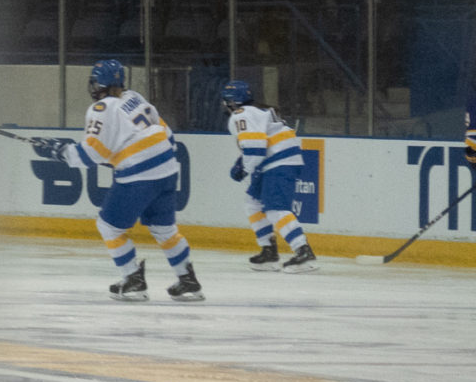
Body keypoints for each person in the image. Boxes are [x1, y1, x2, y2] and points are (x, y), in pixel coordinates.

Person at [36, 59, 200, 302]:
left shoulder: (101, 109)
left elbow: (89, 155)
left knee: (109, 226)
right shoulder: (134, 97)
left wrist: (59, 152)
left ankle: (133, 280)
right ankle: (188, 282)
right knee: (164, 229)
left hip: (140, 173)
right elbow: (163, 133)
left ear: (97, 84)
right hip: (167, 168)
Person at [221, 81, 315, 271]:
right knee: (252, 202)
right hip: (275, 161)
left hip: (279, 162)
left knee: (275, 208)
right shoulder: (255, 111)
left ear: (231, 102)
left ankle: (303, 251)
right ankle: (269, 252)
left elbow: (255, 149)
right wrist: (244, 162)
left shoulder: (242, 114)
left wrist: (244, 168)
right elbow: (258, 144)